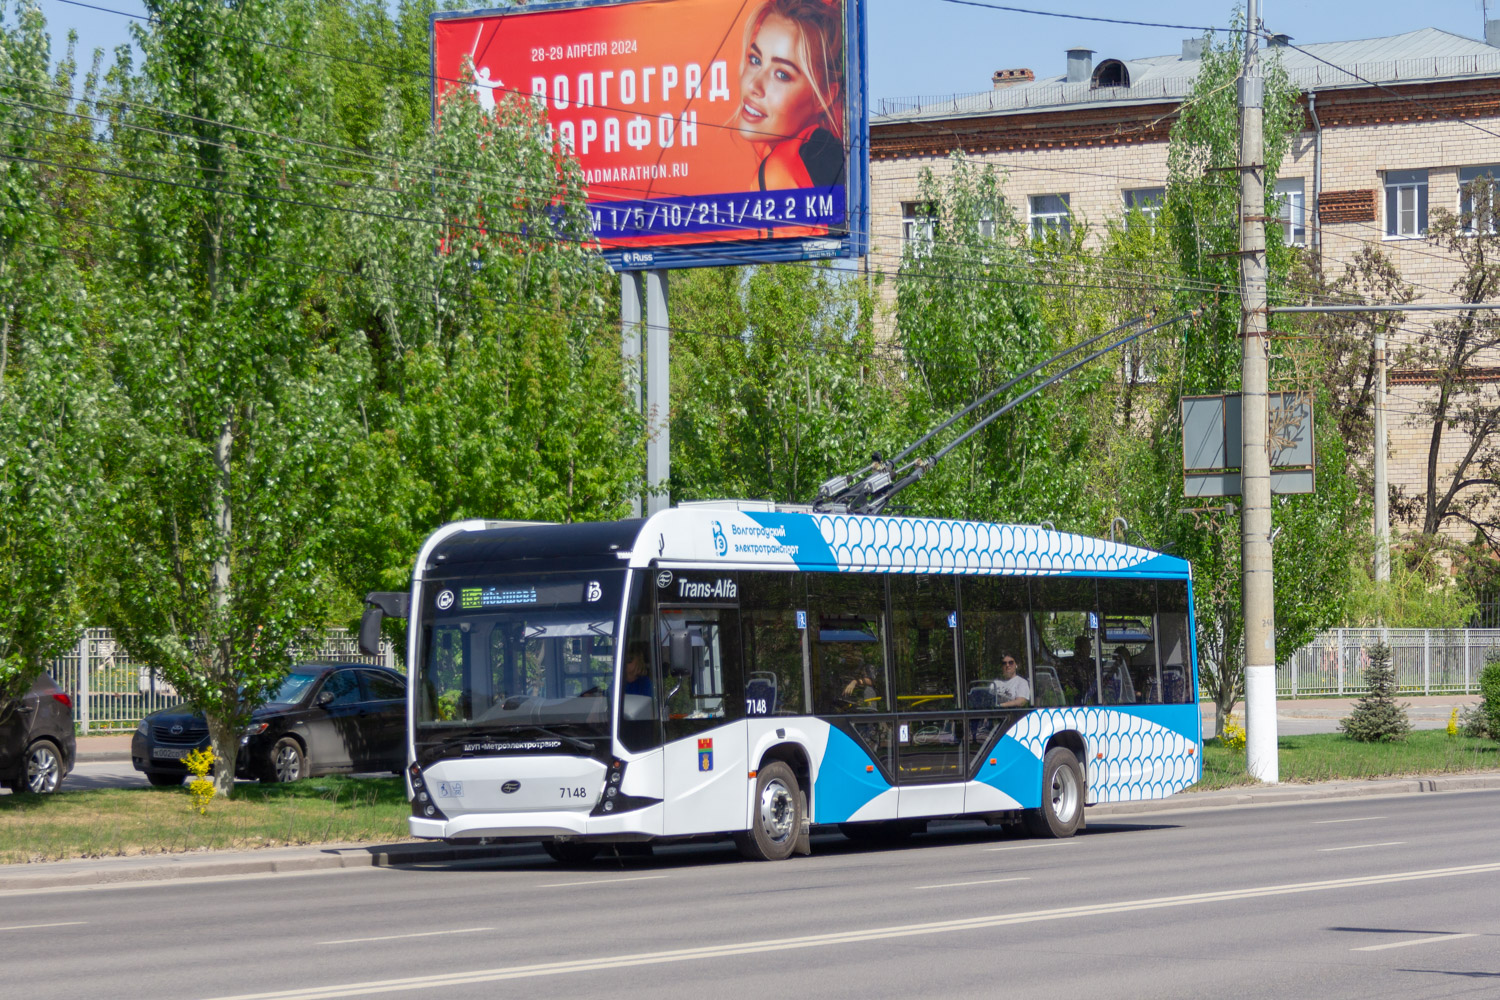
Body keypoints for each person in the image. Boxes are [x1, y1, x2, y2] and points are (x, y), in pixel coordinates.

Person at [735, 0, 846, 191]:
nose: (754, 85)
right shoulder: (832, 157)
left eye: (782, 75)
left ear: (825, 96)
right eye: (755, 60)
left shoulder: (779, 170)